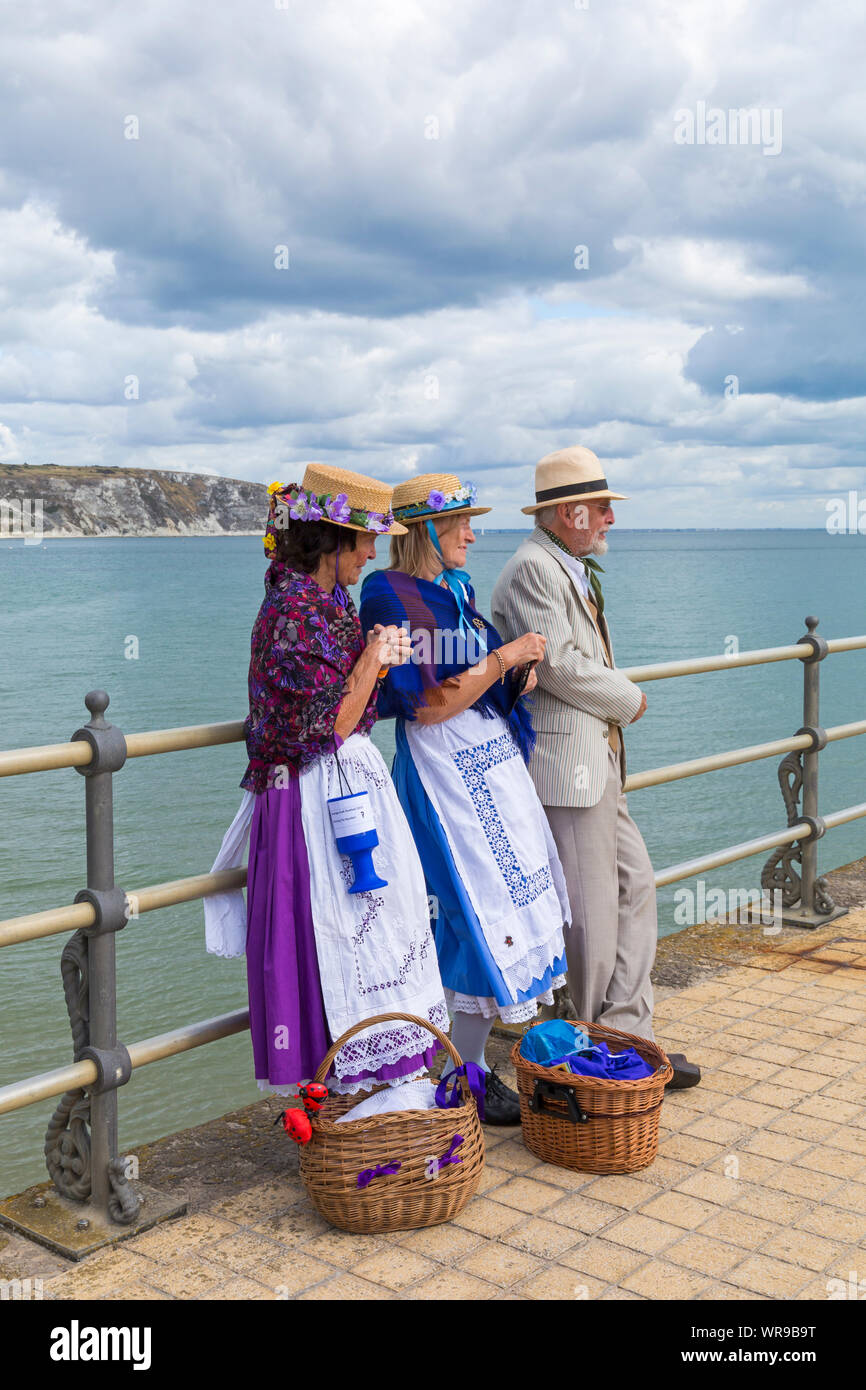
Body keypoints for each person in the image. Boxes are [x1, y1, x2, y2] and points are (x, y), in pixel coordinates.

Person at [204, 463, 448, 1095]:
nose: (372, 551)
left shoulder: (325, 602)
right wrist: (371, 658)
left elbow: (350, 714)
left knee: (369, 933)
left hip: (337, 789)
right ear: (332, 541)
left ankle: (369, 1092)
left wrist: (371, 663)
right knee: (330, 937)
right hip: (309, 798)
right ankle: (341, 1096)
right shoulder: (293, 613)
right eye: (364, 539)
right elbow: (324, 730)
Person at [359, 472, 571, 1123]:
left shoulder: (455, 591)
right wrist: (503, 659)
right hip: (442, 783)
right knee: (461, 918)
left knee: (493, 909)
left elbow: (470, 686)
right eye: (461, 523)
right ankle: (452, 1075)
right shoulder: (388, 593)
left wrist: (512, 678)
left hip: (486, 773)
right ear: (428, 529)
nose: (472, 534)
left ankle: (466, 1072)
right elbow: (426, 705)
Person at [491, 446, 700, 1089]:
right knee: (586, 912)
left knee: (634, 887)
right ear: (570, 511)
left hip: (594, 762)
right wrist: (630, 698)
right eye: (602, 507)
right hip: (567, 766)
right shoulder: (534, 569)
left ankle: (628, 1031)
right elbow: (562, 667)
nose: (610, 517)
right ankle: (579, 1051)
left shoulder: (563, 565)